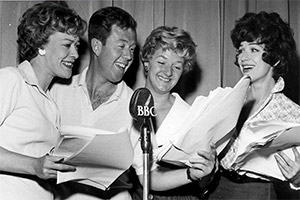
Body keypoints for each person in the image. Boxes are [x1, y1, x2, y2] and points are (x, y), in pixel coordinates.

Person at [50, 7, 216, 200]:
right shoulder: (57, 91)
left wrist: (190, 174)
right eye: (121, 46)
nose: (129, 56)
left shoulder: (137, 106)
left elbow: (149, 175)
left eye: (131, 49)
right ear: (96, 46)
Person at [207, 11, 300, 200]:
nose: (243, 58)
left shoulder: (292, 113)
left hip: (257, 192)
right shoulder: (228, 99)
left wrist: (297, 179)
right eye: (241, 50)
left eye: (254, 50)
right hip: (217, 187)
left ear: (276, 58)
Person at [0, 1, 87, 200]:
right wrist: (35, 165)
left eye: (77, 46)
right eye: (67, 45)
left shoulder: (49, 103)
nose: (75, 54)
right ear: (40, 45)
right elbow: (36, 166)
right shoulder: (11, 80)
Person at [130, 26, 217, 200]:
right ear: (147, 61)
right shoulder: (126, 104)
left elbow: (204, 182)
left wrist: (207, 171)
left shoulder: (191, 117)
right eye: (161, 62)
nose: (168, 72)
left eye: (177, 67)